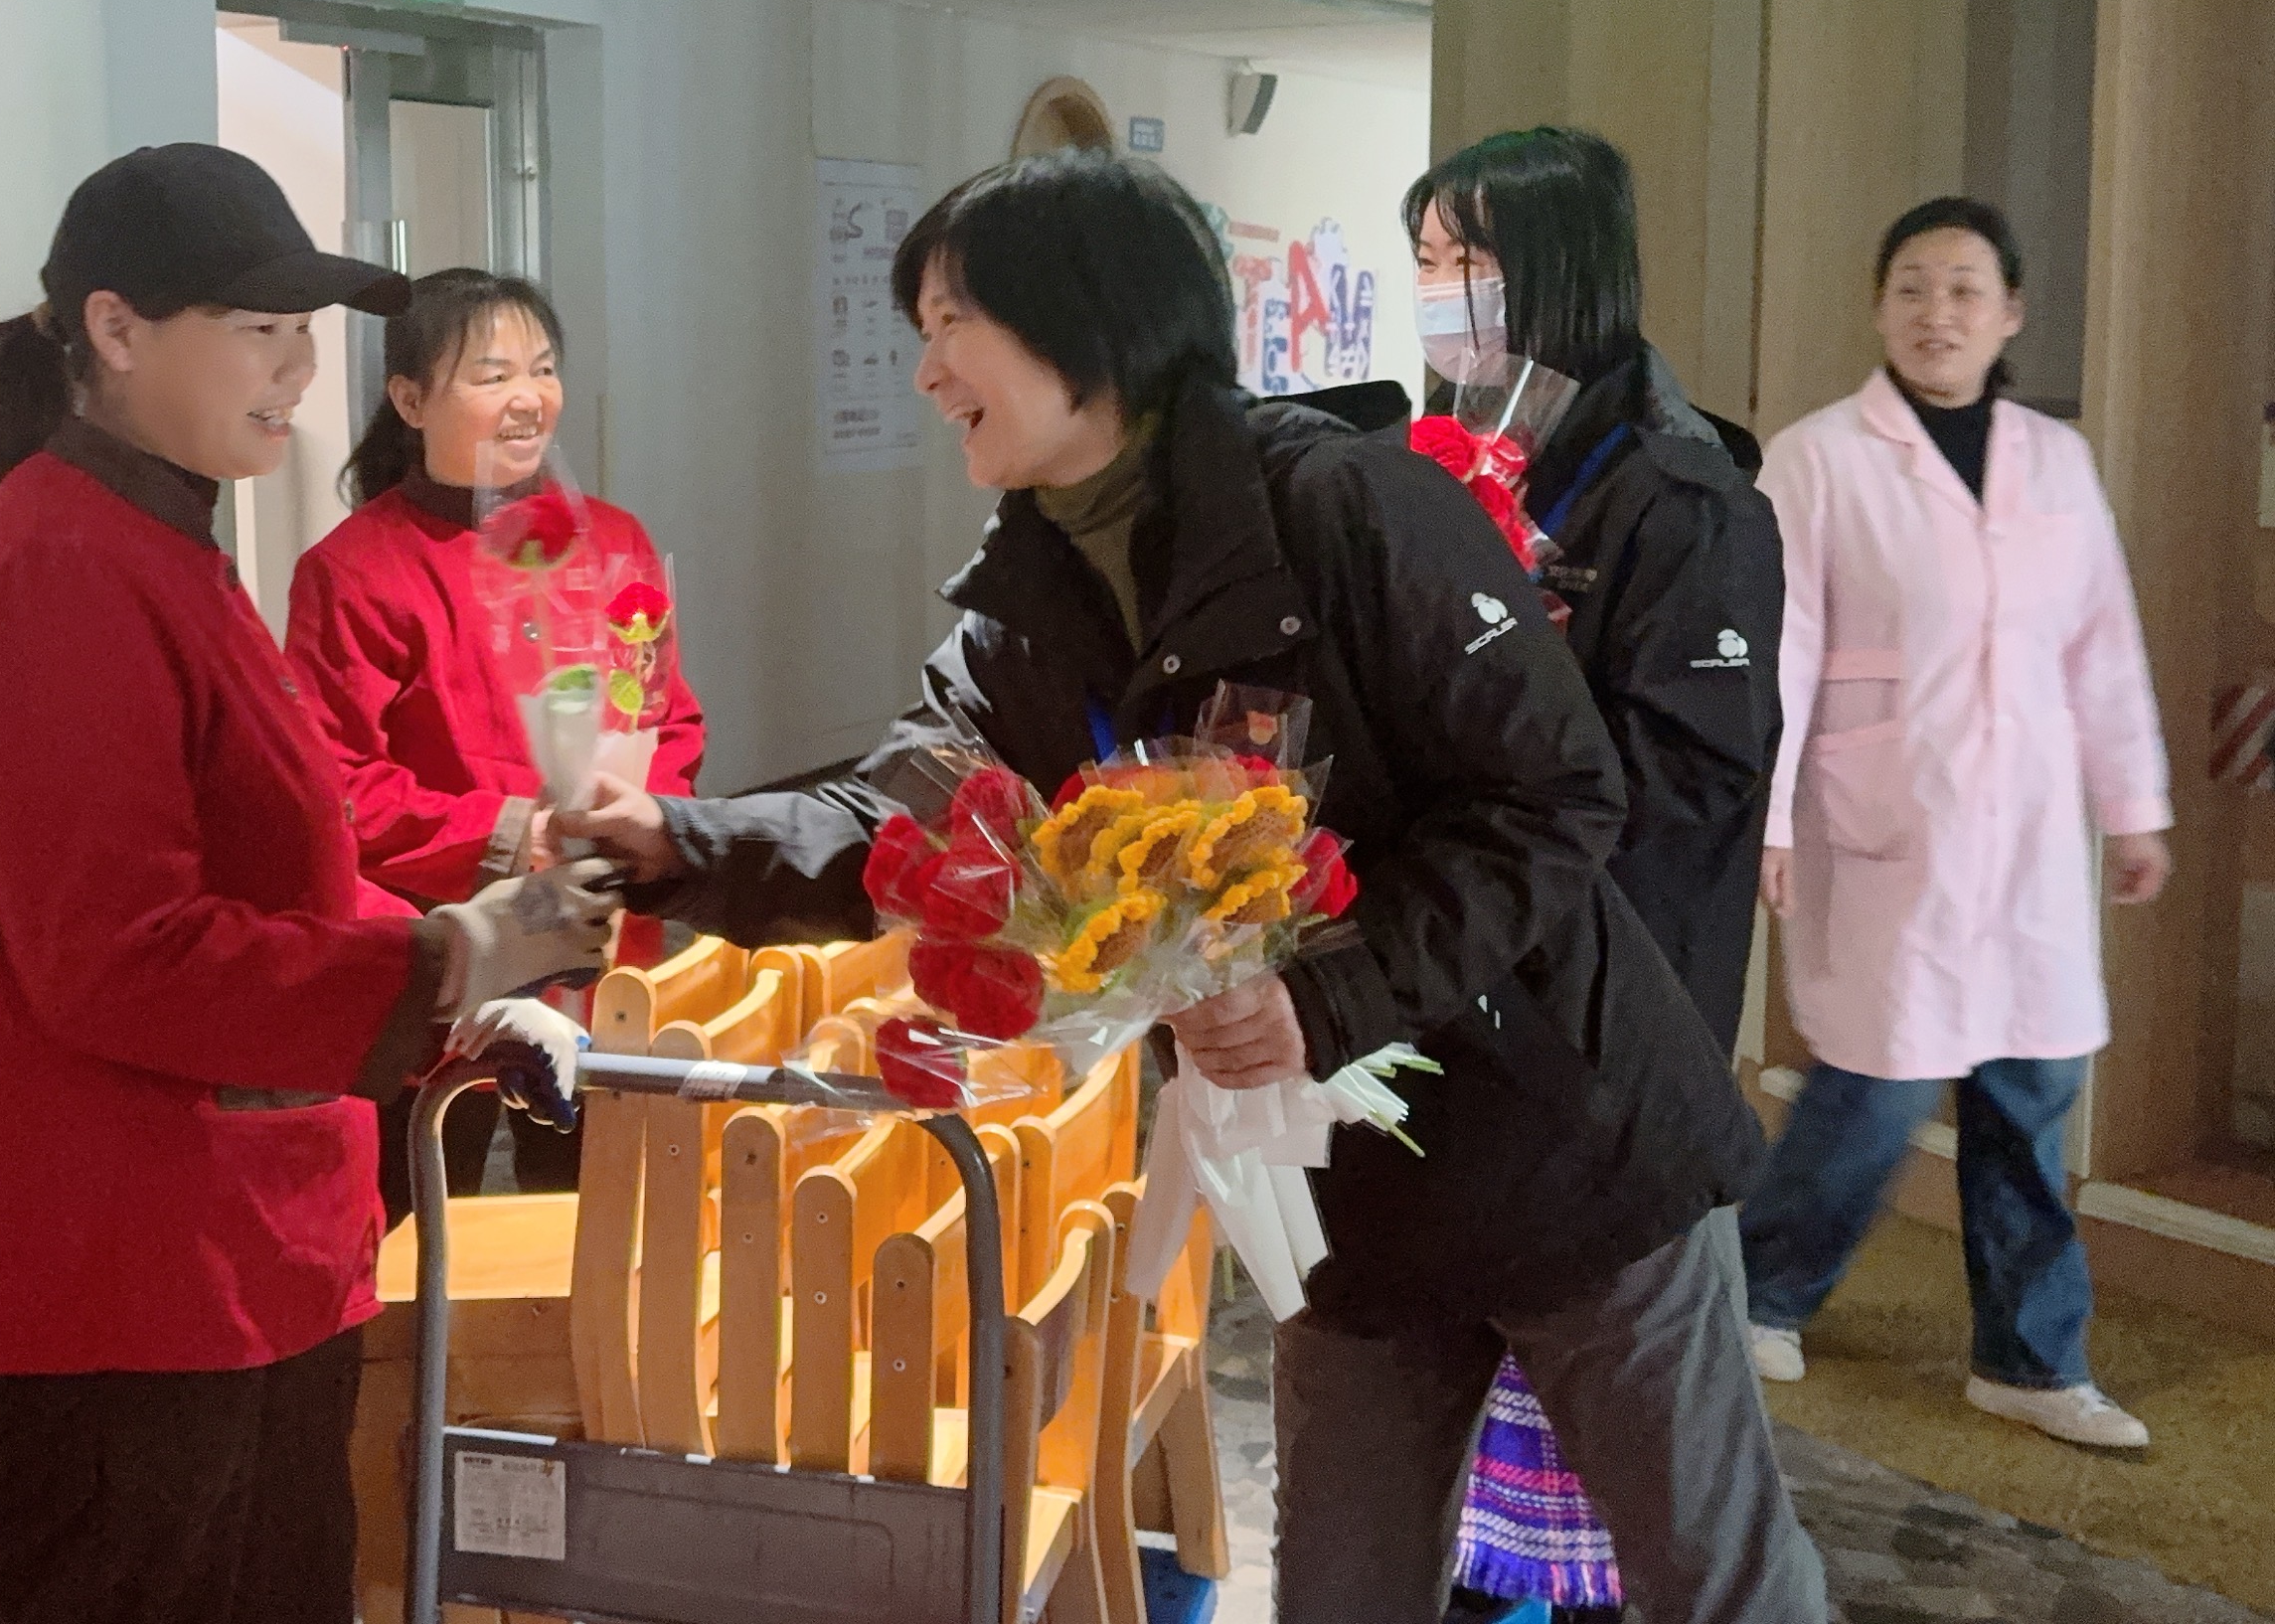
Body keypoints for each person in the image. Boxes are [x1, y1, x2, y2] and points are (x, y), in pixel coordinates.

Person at [568, 148, 1825, 1624]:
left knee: (1714, 1582)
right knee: (1342, 1593)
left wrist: (1326, 997)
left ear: (1090, 326)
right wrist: (682, 843)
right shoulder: (1028, 597)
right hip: (1339, 1189)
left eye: (955, 322)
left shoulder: (1348, 507)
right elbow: (917, 811)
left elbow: (1556, 796)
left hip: (1569, 1136)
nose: (927, 371)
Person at [0, 143, 616, 1624]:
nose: (296, 371)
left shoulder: (164, 540)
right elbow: (119, 955)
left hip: (250, 1245)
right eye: (259, 330)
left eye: (305, 332)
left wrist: (457, 972)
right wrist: (447, 960)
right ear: (114, 329)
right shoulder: (60, 572)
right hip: (128, 1271)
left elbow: (286, 877)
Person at [1409, 128, 1788, 1623]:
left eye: (1467, 261)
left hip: (1613, 1027)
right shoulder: (1459, 460)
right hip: (1480, 1009)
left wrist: (1505, 755)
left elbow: (1687, 775)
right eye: (1427, 261)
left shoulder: (1683, 500)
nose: (1441, 292)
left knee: (1641, 1469)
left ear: (1558, 273)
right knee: (1477, 1444)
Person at [1740, 196, 2172, 1451]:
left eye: (1966, 289)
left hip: (2028, 833)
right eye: (1914, 288)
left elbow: (2101, 645)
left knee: (2033, 1090)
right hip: (1887, 818)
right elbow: (1780, 646)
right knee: (1874, 1091)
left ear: (2011, 313)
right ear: (1880, 309)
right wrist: (1767, 815)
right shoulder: (1819, 458)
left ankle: (2031, 1360)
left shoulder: (2057, 462)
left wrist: (2133, 808)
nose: (1939, 313)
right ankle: (1760, 1292)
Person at [288, 267, 705, 1204]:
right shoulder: (355, 571)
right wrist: (521, 835)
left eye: (543, 369)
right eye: (492, 375)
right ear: (410, 401)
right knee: (420, 1211)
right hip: (446, 950)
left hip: (605, 936)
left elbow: (668, 717)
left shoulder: (616, 544)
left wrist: (644, 823)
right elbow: (338, 786)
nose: (528, 397)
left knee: (595, 1212)